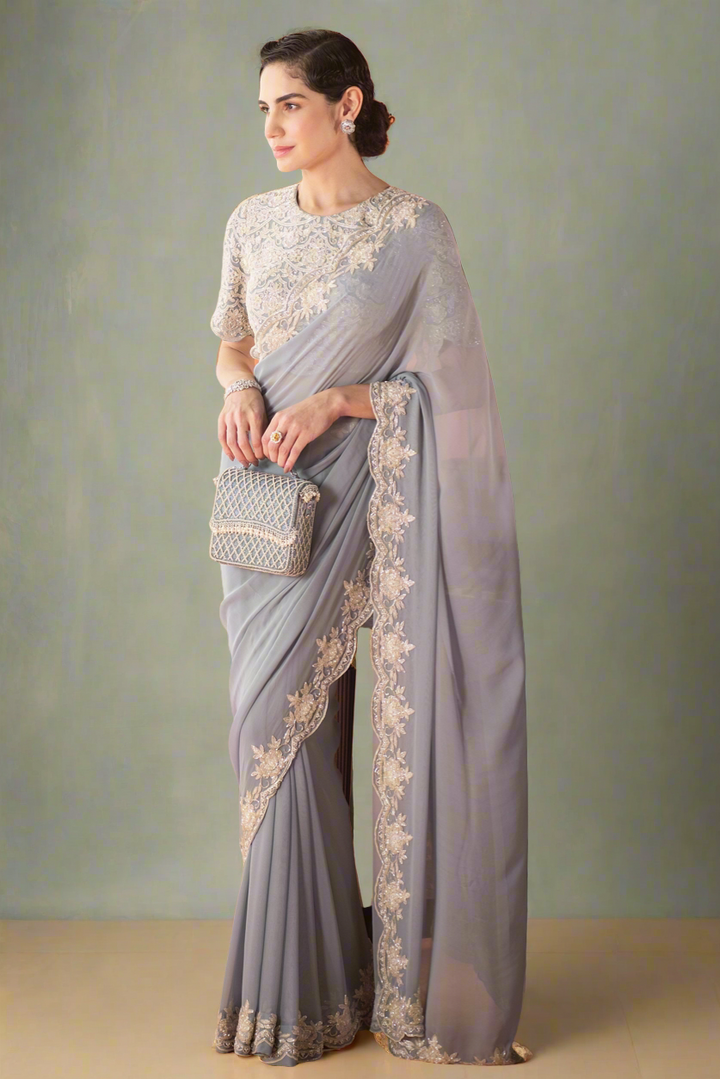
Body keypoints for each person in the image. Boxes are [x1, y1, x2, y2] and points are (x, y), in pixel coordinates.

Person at [209, 28, 533, 1068]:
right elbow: (231, 342)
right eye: (264, 108)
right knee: (278, 731)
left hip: (373, 495)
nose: (272, 126)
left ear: (346, 106)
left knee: (353, 727)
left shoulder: (413, 229)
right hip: (267, 509)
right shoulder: (251, 221)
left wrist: (342, 399)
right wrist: (242, 389)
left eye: (291, 105)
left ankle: (387, 982)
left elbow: (454, 392)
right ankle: (304, 989)